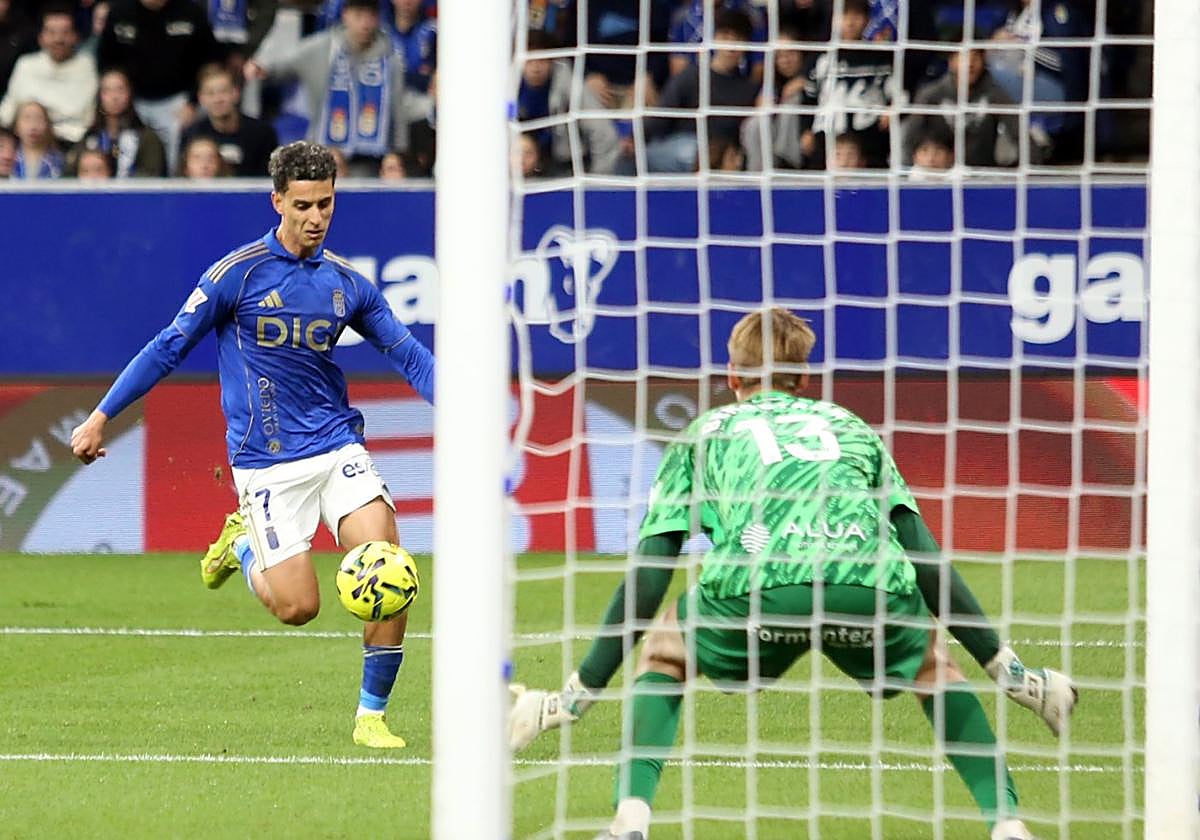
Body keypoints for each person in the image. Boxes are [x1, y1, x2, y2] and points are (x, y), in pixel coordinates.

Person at [509, 308, 1076, 840]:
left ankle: (630, 822)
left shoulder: (705, 433)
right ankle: (1006, 825)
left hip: (757, 595)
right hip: (867, 586)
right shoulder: (850, 427)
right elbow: (924, 555)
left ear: (732, 375)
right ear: (804, 380)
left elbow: (653, 571)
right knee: (934, 668)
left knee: (666, 650)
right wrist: (1011, 674)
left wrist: (575, 695)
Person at [70, 140, 435, 750]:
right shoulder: (235, 275)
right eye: (303, 206)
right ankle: (242, 543)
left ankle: (371, 716)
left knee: (387, 566)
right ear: (277, 202)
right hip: (266, 466)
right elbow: (167, 347)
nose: (316, 218)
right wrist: (101, 416)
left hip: (338, 447)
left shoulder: (349, 286)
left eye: (325, 204)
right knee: (298, 608)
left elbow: (408, 354)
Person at [243, 0, 417, 176]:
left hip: (372, 154)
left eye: (370, 16)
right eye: (359, 16)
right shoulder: (322, 48)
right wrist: (263, 68)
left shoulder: (390, 56)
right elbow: (285, 65)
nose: (365, 23)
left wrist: (397, 151)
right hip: (325, 148)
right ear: (345, 15)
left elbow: (398, 108)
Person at [97, 0, 223, 170]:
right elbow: (106, 60)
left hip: (179, 101)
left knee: (178, 153)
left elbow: (210, 61)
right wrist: (119, 94)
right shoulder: (120, 11)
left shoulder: (191, 11)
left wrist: (193, 102)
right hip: (131, 100)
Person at [903, 46, 1018, 169]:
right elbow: (910, 139)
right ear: (951, 61)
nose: (970, 64)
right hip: (938, 175)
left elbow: (1019, 134)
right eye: (963, 57)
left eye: (975, 57)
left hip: (982, 174)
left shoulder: (995, 94)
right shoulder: (930, 94)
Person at [0, 4, 98, 145]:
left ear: (76, 37)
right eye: (51, 32)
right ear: (41, 38)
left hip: (70, 143)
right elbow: (9, 109)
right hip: (23, 142)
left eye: (65, 32)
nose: (58, 39)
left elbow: (87, 118)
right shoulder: (26, 64)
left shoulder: (87, 66)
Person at [180, 63, 278, 176]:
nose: (218, 99)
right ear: (201, 98)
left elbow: (271, 179)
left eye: (223, 92)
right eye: (211, 93)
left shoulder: (262, 133)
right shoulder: (191, 134)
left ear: (236, 93)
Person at [70, 67, 168, 177]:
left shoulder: (148, 138)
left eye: (120, 89)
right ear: (99, 96)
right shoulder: (91, 137)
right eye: (107, 90)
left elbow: (153, 175)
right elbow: (70, 173)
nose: (114, 97)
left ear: (130, 94)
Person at [9, 100, 65, 179]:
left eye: (39, 118)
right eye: (27, 118)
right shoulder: (7, 158)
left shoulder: (60, 161)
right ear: (16, 126)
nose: (33, 126)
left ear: (47, 126)